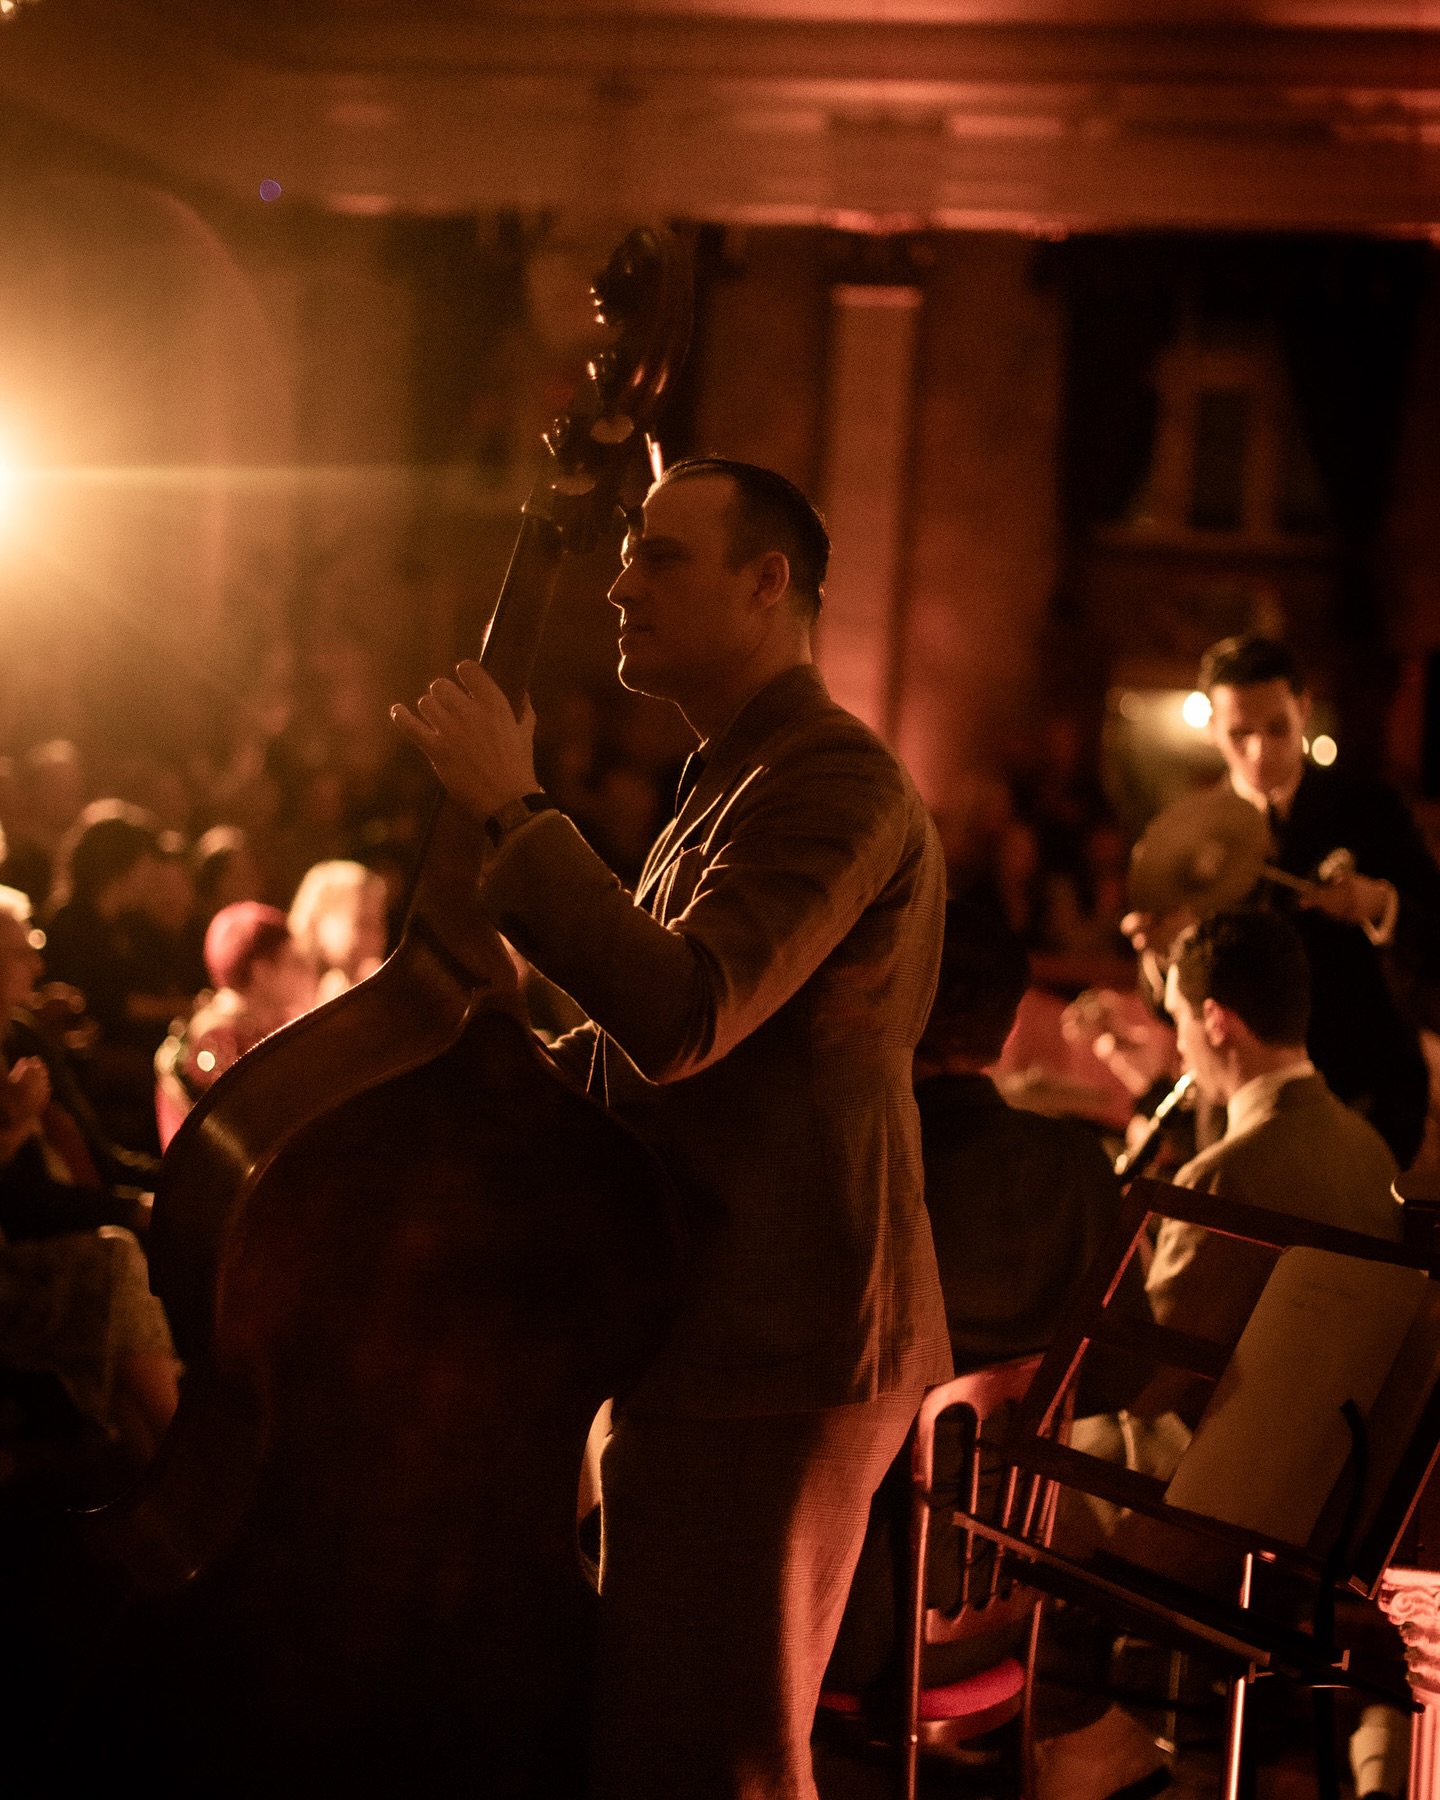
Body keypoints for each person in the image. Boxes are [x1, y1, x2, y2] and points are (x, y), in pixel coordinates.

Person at [392, 456, 951, 1800]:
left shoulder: (838, 783)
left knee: (714, 1759)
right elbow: (649, 1061)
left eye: (662, 557)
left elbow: (690, 1011)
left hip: (786, 1330)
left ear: (770, 586)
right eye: (627, 553)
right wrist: (462, 1074)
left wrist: (519, 811)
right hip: (719, 1314)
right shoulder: (732, 773)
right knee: (667, 1739)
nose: (622, 583)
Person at [1051, 910, 1406, 1800]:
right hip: (1338, 1491)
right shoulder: (1365, 1149)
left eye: (1177, 1019)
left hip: (1234, 1507)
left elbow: (1140, 1379)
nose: (1177, 1043)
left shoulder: (1228, 1174)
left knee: (1017, 1486)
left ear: (1218, 1021)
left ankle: (1090, 1753)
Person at [825, 900, 1122, 1701]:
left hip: (851, 1621)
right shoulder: (1075, 1167)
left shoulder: (867, 1170)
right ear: (1004, 1023)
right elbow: (1122, 1380)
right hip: (1007, 1601)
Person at [1127, 634, 1440, 1168]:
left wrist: (1380, 905)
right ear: (1212, 730)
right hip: (1236, 1109)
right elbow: (1170, 1007)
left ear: (1304, 708)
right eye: (1239, 734)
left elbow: (1435, 935)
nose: (1260, 752)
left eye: (1277, 728)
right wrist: (1162, 956)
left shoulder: (1371, 810)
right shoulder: (1188, 833)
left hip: (1365, 1092)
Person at [168, 901, 316, 1107]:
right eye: (295, 962)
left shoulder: (273, 1022)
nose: (309, 971)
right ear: (260, 971)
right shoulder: (220, 1039)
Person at [287, 858, 387, 1005]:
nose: (376, 936)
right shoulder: (288, 1000)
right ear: (319, 923)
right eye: (363, 923)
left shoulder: (371, 986)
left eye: (380, 924)